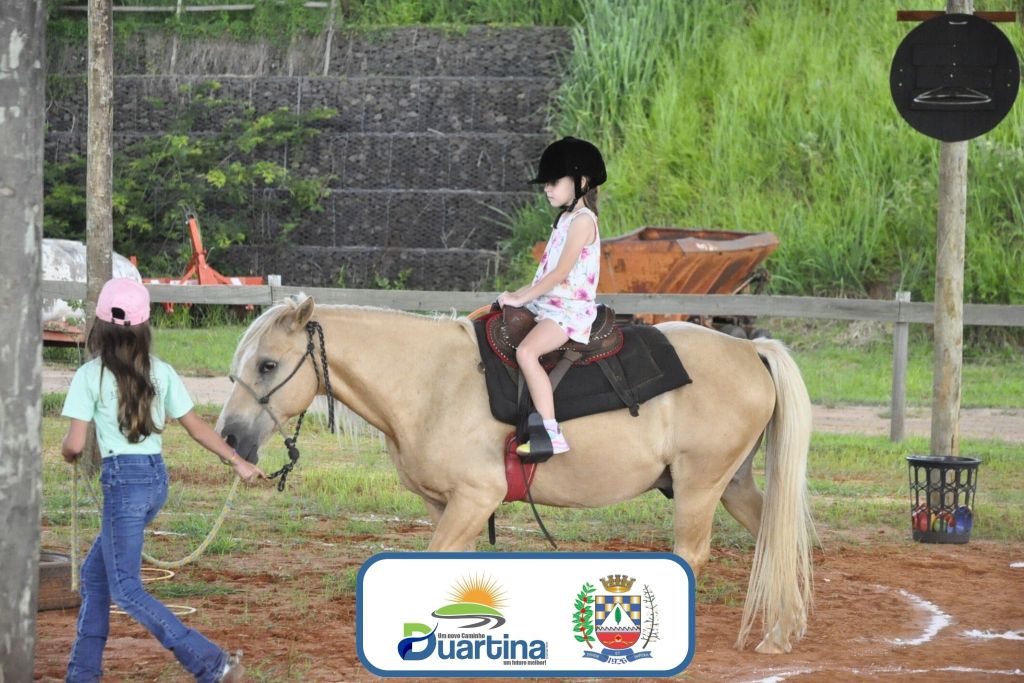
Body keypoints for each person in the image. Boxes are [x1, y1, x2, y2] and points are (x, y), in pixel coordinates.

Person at [61, 278, 265, 683]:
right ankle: (82, 674)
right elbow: (196, 427)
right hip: (154, 481)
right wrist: (238, 462)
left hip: (123, 484)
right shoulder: (162, 372)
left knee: (126, 589)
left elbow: (75, 443)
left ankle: (213, 664)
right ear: (145, 326)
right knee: (95, 576)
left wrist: (67, 453)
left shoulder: (89, 375)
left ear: (99, 326)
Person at [497, 136, 606, 456]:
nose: (547, 188)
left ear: (581, 182)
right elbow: (544, 274)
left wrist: (521, 300)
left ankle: (550, 430)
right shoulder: (565, 219)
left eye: (554, 182)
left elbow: (559, 274)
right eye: (546, 183)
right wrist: (517, 294)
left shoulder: (583, 222)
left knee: (527, 352)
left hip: (568, 311)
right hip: (550, 304)